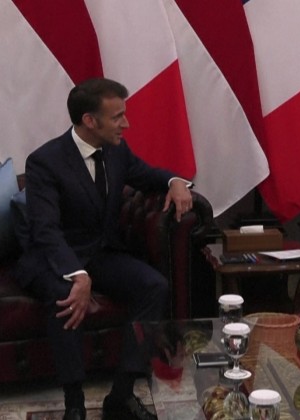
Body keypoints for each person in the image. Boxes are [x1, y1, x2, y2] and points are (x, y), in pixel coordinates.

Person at [16, 78, 193, 420]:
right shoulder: (45, 161)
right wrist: (78, 275)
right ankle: (74, 404)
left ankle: (121, 396)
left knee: (154, 286)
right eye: (117, 117)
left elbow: (149, 175)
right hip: (55, 257)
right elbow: (45, 230)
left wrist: (176, 182)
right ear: (89, 120)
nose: (126, 124)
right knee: (66, 296)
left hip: (100, 253)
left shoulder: (116, 151)